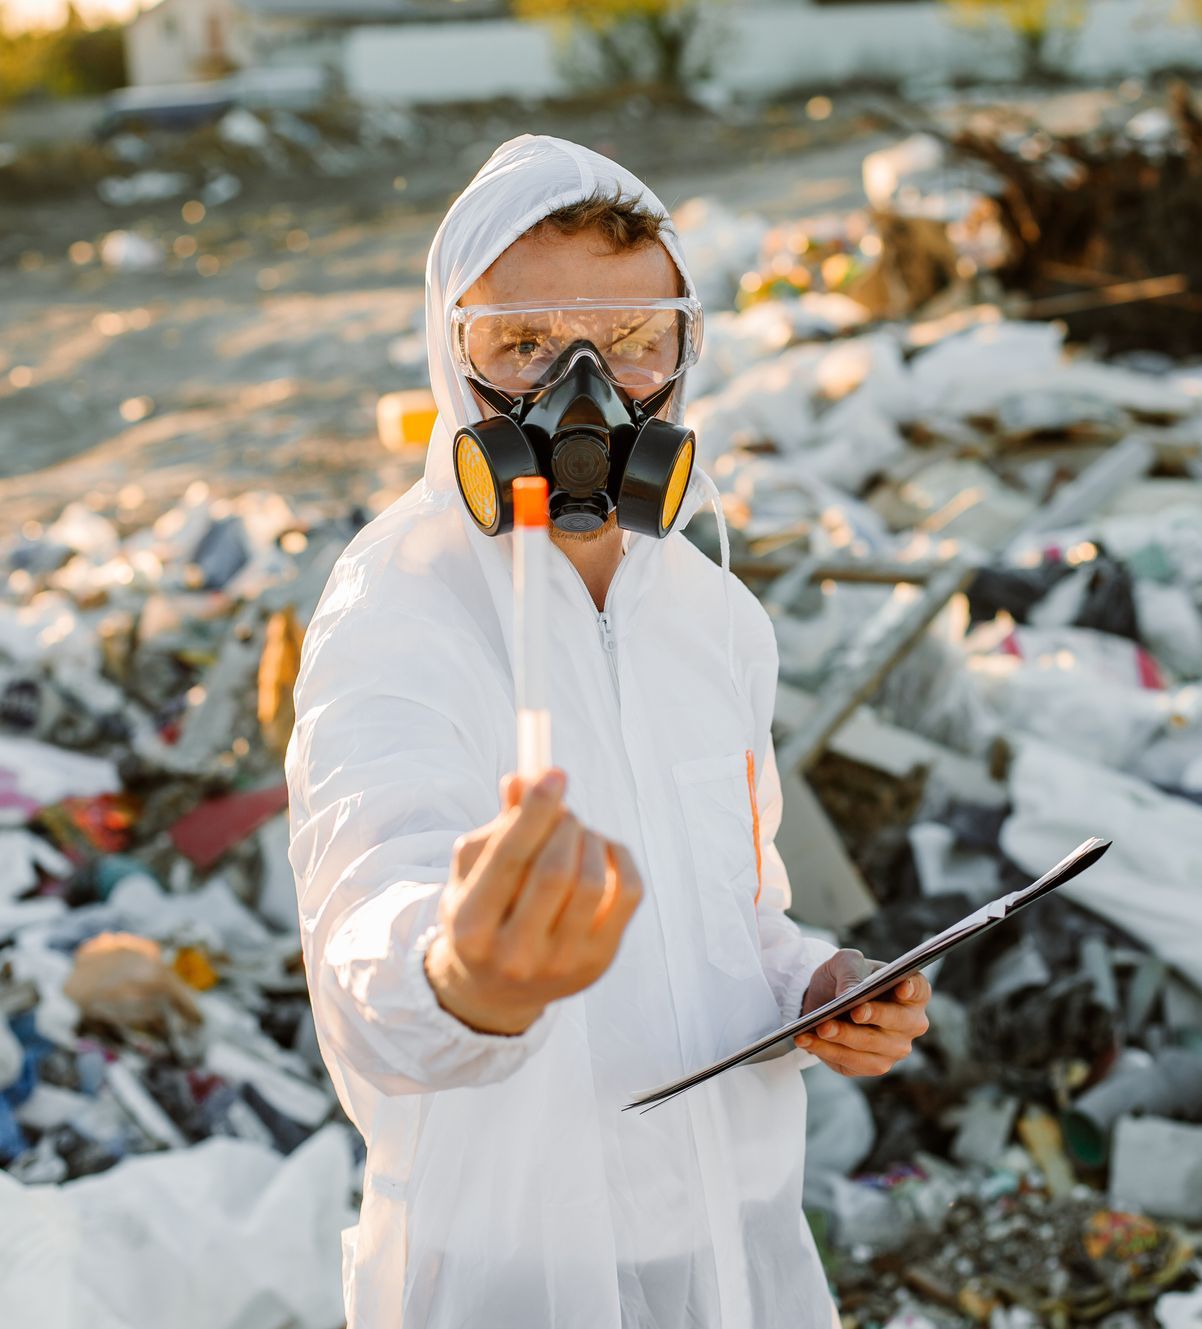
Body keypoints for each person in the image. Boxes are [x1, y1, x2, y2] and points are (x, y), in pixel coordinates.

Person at [287, 134, 931, 1329]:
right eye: (522, 346)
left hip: (724, 1247)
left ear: (686, 350)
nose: (585, 390)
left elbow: (735, 910)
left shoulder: (711, 613)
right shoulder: (400, 607)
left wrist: (819, 986)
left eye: (634, 345)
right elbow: (366, 926)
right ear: (451, 354)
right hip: (514, 1269)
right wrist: (463, 976)